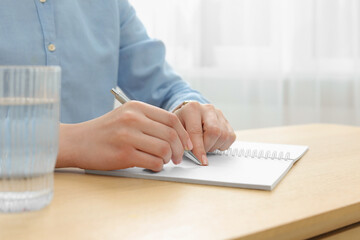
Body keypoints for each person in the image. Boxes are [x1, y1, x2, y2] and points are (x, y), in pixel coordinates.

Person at [0, 0, 236, 172]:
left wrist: (188, 109)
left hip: (100, 204)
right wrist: (75, 142)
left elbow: (164, 86)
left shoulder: (109, 5)